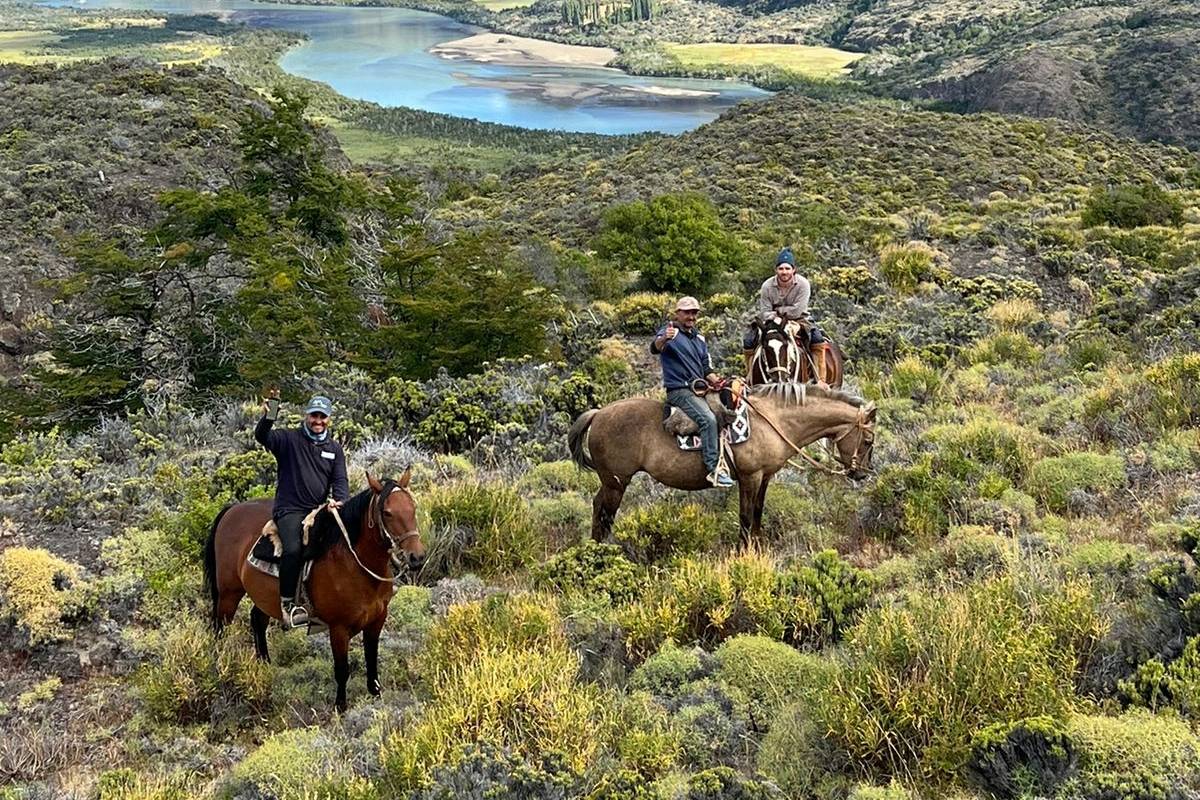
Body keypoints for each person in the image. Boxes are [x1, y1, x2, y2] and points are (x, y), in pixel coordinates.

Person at [255, 392, 349, 628]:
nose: (318, 421)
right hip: (289, 510)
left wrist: (340, 500)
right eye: (314, 415)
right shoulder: (288, 440)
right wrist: (272, 411)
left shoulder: (334, 449)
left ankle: (331, 602)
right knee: (293, 549)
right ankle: (288, 604)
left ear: (328, 419)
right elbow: (262, 436)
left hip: (317, 511)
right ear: (306, 415)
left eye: (323, 416)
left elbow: (340, 481)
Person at [651, 296, 734, 488]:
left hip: (700, 389)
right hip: (680, 390)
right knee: (708, 420)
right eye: (687, 312)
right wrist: (664, 339)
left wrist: (720, 382)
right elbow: (656, 347)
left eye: (694, 312)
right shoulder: (669, 331)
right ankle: (714, 469)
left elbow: (706, 368)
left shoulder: (699, 338)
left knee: (727, 410)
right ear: (677, 313)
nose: (691, 316)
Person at [742, 247, 829, 388]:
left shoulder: (803, 284)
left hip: (799, 318)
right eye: (781, 268)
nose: (784, 272)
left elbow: (797, 310)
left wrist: (778, 311)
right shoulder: (767, 286)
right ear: (776, 270)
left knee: (817, 338)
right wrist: (775, 317)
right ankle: (750, 377)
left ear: (794, 270)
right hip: (771, 320)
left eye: (787, 268)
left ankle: (820, 379)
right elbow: (765, 311)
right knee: (749, 340)